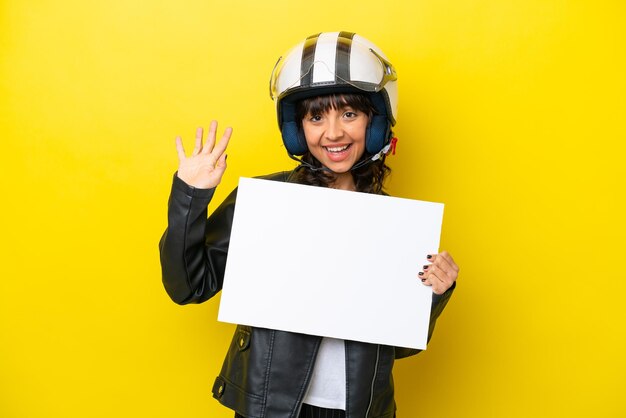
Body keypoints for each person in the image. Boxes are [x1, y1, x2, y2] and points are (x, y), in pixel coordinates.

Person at [159, 31, 459, 418]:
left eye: (349, 114)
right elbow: (188, 286)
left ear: (375, 121)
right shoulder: (265, 201)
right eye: (316, 116)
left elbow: (399, 348)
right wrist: (191, 197)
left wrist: (436, 292)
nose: (333, 133)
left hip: (359, 410)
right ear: (297, 128)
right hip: (271, 407)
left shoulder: (395, 225)